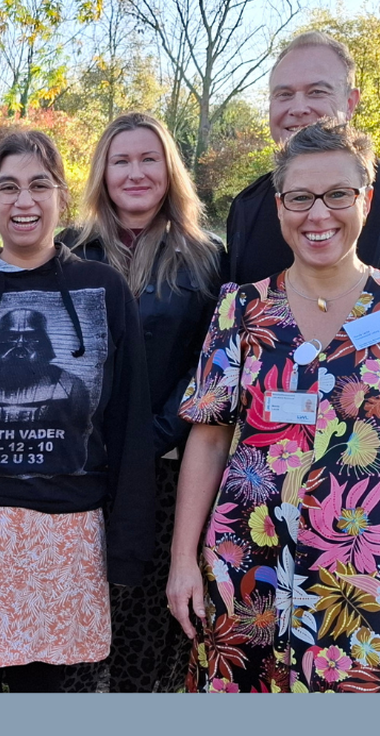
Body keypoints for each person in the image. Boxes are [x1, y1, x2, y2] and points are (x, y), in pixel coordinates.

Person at [0, 130, 155, 692]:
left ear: (61, 197)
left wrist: (126, 547)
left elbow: (127, 424)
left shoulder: (103, 289)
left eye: (39, 186)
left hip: (64, 530)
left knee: (46, 688)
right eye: (9, 188)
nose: (25, 202)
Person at [169, 118, 380, 693]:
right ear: (281, 205)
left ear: (364, 198)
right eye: (300, 197)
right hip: (244, 574)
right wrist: (183, 561)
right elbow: (209, 438)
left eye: (337, 194)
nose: (319, 214)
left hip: (358, 586)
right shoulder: (242, 310)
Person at [60, 112, 224, 692]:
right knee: (77, 631)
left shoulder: (208, 258)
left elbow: (212, 362)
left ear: (169, 169)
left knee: (148, 634)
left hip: (167, 467)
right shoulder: (69, 252)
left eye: (148, 159)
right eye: (120, 160)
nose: (135, 172)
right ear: (102, 172)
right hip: (82, 470)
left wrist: (156, 433)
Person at [228, 30, 380, 284]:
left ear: (350, 103)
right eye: (284, 95)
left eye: (317, 92)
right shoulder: (246, 207)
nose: (298, 108)